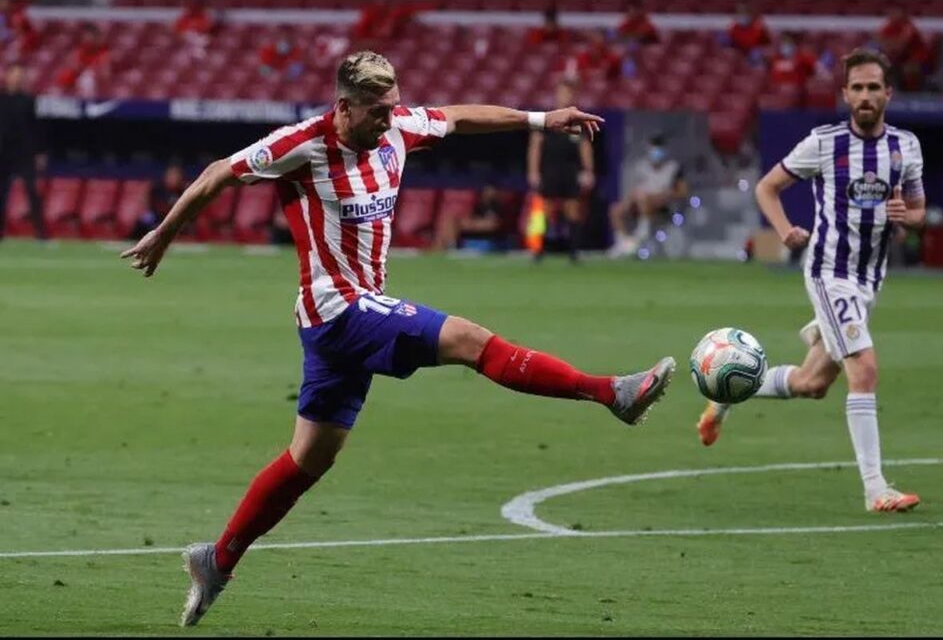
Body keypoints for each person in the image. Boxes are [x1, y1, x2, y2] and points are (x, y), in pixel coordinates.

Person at [119, 50, 676, 627]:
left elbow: (458, 117)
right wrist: (164, 233)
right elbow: (217, 173)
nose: (391, 118)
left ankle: (218, 560)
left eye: (393, 107)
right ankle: (613, 393)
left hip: (344, 322)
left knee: (309, 459)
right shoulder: (302, 145)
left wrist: (539, 119)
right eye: (378, 111)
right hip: (338, 310)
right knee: (468, 339)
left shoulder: (398, 129)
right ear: (344, 107)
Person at [694, 48, 926, 513]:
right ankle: (876, 488)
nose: (864, 95)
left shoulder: (905, 147)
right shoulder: (824, 142)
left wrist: (910, 216)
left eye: (873, 87)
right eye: (856, 88)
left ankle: (727, 391)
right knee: (865, 371)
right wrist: (784, 231)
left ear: (888, 93)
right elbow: (767, 187)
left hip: (869, 280)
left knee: (811, 382)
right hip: (829, 273)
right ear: (845, 94)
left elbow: (919, 210)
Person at [527, 79, 595, 262]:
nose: (564, 96)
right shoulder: (546, 118)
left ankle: (573, 251)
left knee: (572, 209)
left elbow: (585, 146)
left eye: (568, 93)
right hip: (549, 169)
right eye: (561, 92)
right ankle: (537, 249)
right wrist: (533, 171)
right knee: (543, 211)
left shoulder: (577, 120)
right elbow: (535, 146)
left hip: (570, 170)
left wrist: (588, 170)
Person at [607, 134, 687, 258]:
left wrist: (667, 195)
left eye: (659, 148)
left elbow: (682, 192)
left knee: (643, 198)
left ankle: (642, 232)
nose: (656, 152)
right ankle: (623, 243)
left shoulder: (673, 168)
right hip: (640, 201)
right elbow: (635, 188)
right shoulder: (641, 166)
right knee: (616, 210)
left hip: (663, 205)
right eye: (653, 148)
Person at [0, 63, 45, 241]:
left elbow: (36, 128)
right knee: (1, 194)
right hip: (2, 153)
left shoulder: (28, 100)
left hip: (24, 153)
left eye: (20, 75)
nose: (17, 78)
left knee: (32, 191)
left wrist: (40, 152)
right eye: (14, 74)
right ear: (8, 76)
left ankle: (41, 233)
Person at [432, 184, 506, 251]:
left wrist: (460, 224)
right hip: (442, 237)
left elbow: (492, 224)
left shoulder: (488, 188)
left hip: (477, 241)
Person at [876, 4, 929, 92]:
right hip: (901, 57)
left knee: (909, 68)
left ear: (902, 13)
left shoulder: (908, 26)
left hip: (918, 58)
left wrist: (890, 44)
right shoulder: (890, 25)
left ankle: (913, 92)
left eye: (895, 12)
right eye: (890, 13)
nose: (892, 15)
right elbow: (878, 38)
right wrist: (890, 45)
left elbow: (900, 45)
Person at [130, 163, 188, 241]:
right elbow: (150, 204)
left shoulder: (183, 190)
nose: (173, 178)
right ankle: (133, 239)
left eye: (176, 176)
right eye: (171, 175)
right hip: (156, 215)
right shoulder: (158, 188)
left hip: (173, 218)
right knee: (145, 219)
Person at [55, 23, 111, 97]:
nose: (86, 38)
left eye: (89, 36)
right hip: (75, 82)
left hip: (95, 85)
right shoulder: (77, 51)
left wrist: (94, 71)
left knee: (87, 78)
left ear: (95, 37)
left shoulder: (103, 53)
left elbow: (105, 74)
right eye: (85, 36)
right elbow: (71, 67)